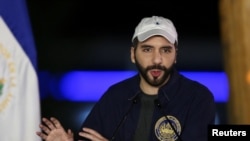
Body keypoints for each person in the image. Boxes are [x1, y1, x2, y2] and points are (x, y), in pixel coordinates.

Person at [36, 15, 216, 141]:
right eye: (147, 49)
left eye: (165, 50)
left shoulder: (197, 97)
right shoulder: (116, 96)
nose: (156, 59)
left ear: (175, 55)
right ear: (133, 54)